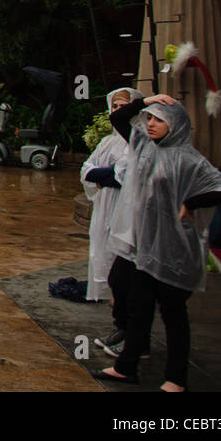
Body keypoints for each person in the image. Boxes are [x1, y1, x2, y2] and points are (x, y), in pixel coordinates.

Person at [93, 96, 221, 391]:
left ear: (177, 125)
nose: (151, 125)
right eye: (150, 119)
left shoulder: (188, 159)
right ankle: (126, 366)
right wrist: (144, 101)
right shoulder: (145, 147)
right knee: (138, 308)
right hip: (146, 247)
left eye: (159, 120)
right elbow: (119, 120)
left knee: (173, 315)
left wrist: (193, 202)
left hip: (176, 250)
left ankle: (176, 379)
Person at [80, 87, 144, 355]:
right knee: (109, 271)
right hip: (105, 209)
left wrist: (103, 175)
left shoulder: (140, 140)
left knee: (125, 276)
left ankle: (134, 337)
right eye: (114, 107)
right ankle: (120, 327)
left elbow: (123, 176)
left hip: (127, 211)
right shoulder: (108, 142)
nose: (117, 112)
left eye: (123, 106)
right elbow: (87, 170)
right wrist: (102, 175)